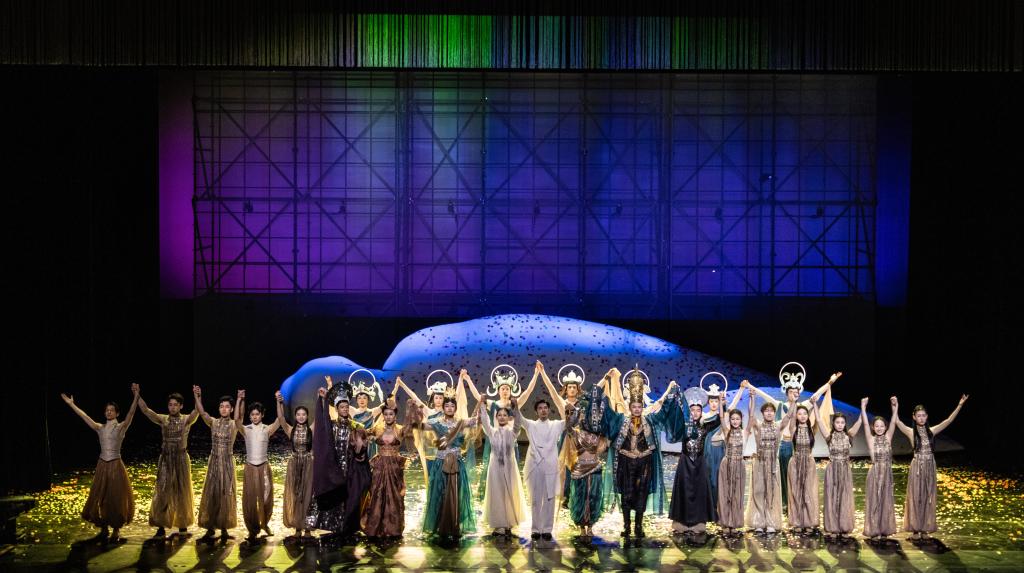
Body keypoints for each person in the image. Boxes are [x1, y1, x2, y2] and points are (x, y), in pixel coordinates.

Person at [600, 368, 680, 539]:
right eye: (634, 407)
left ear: (642, 407)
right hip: (625, 462)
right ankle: (627, 526)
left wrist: (670, 392)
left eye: (639, 406)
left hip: (644, 462)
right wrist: (604, 384)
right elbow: (607, 412)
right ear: (629, 407)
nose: (637, 409)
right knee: (627, 493)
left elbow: (663, 410)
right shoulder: (621, 420)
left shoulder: (649, 420)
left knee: (641, 493)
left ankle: (638, 525)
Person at [746, 369, 839, 510]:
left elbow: (817, 394)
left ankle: (798, 501)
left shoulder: (802, 407)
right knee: (783, 474)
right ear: (787, 392)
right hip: (783, 444)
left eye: (796, 392)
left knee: (798, 475)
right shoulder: (780, 405)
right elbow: (764, 395)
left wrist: (830, 382)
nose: (793, 394)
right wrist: (749, 386)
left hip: (798, 445)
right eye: (791, 392)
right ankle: (784, 502)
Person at [60, 384, 139, 543]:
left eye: (112, 410)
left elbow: (131, 413)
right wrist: (71, 404)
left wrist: (136, 396)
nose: (108, 412)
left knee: (115, 497)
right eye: (107, 410)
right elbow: (85, 417)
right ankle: (104, 527)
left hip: (115, 465)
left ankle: (116, 529)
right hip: (102, 465)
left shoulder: (121, 427)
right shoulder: (100, 428)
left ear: (117, 413)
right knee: (101, 496)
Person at [894, 394, 969, 539]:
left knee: (927, 496)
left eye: (923, 415)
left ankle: (924, 529)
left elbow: (948, 420)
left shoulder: (932, 431)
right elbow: (897, 422)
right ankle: (915, 529)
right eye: (918, 416)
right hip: (917, 467)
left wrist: (960, 404)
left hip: (930, 466)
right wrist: (895, 405)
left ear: (927, 417)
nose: (921, 418)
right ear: (914, 417)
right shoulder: (911, 432)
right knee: (916, 496)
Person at [463, 365, 539, 500]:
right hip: (495, 440)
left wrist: (536, 374)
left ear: (511, 390)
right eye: (502, 388)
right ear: (498, 390)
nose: (505, 391)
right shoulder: (493, 404)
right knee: (492, 468)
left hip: (510, 441)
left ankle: (510, 496)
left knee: (511, 469)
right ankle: (493, 496)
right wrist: (468, 379)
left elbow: (528, 392)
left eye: (507, 389)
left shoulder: (514, 404)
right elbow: (478, 397)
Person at [414, 388, 479, 542]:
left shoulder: (461, 423)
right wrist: (414, 414)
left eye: (452, 406)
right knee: (440, 493)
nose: (449, 408)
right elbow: (420, 426)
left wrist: (481, 405)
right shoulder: (436, 423)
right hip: (440, 463)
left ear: (455, 408)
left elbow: (475, 420)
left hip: (457, 463)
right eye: (447, 406)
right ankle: (440, 525)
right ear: (443, 408)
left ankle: (455, 525)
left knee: (456, 493)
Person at [311, 383, 371, 541]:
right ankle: (334, 526)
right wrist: (322, 400)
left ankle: (348, 527)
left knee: (350, 497)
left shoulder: (355, 427)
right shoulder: (332, 426)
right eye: (342, 407)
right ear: (337, 409)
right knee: (336, 497)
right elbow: (322, 423)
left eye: (346, 407)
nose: (344, 409)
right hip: (335, 467)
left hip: (350, 468)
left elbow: (361, 448)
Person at [137, 389, 199, 538]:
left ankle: (182, 525)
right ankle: (161, 526)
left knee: (182, 491)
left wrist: (197, 396)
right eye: (170, 404)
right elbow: (146, 410)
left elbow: (197, 411)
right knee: (163, 491)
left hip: (181, 459)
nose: (172, 407)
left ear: (181, 406)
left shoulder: (186, 420)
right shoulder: (163, 419)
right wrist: (137, 395)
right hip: (166, 459)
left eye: (175, 405)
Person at [514, 367, 565, 541]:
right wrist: (514, 405)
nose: (543, 410)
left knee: (549, 498)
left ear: (549, 410)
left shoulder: (556, 425)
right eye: (540, 408)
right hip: (534, 466)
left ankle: (547, 529)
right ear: (536, 411)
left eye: (545, 408)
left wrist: (571, 408)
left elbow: (572, 419)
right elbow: (518, 417)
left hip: (550, 466)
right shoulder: (531, 425)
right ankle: (536, 529)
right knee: (535, 499)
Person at [560, 374, 612, 539]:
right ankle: (582, 527)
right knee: (580, 498)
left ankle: (590, 527)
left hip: (595, 468)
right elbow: (568, 426)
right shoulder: (576, 433)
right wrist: (574, 414)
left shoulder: (598, 435)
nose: (585, 416)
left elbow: (606, 439)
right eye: (583, 414)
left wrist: (605, 383)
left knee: (594, 497)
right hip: (580, 469)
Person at [742, 380, 792, 534]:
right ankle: (758, 521)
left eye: (771, 411)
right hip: (760, 462)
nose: (769, 413)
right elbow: (751, 415)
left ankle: (771, 521)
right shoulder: (758, 426)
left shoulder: (778, 426)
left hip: (773, 463)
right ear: (763, 413)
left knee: (772, 492)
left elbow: (789, 416)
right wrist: (752, 398)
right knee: (758, 491)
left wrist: (794, 402)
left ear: (774, 413)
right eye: (766, 411)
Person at [192, 386, 241, 542]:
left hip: (227, 462)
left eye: (227, 406)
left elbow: (240, 416)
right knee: (212, 494)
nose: (224, 409)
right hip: (214, 462)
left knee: (225, 494)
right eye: (221, 406)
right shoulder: (213, 422)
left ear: (231, 409)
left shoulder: (234, 424)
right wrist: (197, 396)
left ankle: (224, 529)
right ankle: (210, 528)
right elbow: (202, 412)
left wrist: (239, 399)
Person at [813, 388, 862, 539]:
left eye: (842, 423)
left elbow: (860, 422)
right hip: (832, 469)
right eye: (837, 422)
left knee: (844, 497)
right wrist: (814, 404)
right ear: (833, 423)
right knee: (833, 497)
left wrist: (863, 407)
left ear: (845, 424)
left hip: (845, 470)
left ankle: (844, 527)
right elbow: (819, 420)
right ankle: (833, 527)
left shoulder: (849, 435)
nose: (840, 425)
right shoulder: (829, 436)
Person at [362, 398, 412, 539]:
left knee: (395, 496)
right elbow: (363, 433)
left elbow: (411, 427)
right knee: (377, 494)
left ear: (395, 415)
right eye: (386, 414)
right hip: (379, 466)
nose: (388, 417)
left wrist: (409, 410)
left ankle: (393, 528)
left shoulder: (400, 429)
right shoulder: (377, 428)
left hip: (395, 468)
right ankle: (375, 527)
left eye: (391, 414)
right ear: (383, 415)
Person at [236, 391, 282, 542]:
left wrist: (279, 401)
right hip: (250, 467)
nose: (255, 416)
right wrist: (240, 400)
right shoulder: (246, 429)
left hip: (263, 467)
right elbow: (236, 419)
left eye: (257, 414)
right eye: (252, 414)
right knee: (250, 500)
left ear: (262, 415)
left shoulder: (267, 429)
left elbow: (280, 419)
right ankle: (252, 529)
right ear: (250, 416)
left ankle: (265, 524)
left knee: (266, 498)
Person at [479, 400, 527, 538]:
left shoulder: (512, 433)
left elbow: (518, 423)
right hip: (495, 468)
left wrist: (516, 408)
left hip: (510, 467)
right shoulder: (492, 432)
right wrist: (482, 406)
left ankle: (509, 523)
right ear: (496, 417)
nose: (501, 417)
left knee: (509, 492)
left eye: (504, 415)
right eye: (499, 415)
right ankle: (498, 524)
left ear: (508, 417)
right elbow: (485, 421)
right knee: (497, 494)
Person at [275, 390, 316, 540]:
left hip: (308, 464)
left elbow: (319, 417)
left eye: (303, 414)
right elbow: (281, 418)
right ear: (295, 416)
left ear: (307, 416)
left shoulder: (311, 430)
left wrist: (320, 399)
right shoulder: (290, 430)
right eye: (298, 414)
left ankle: (308, 528)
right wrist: (279, 402)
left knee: (308, 496)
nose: (301, 416)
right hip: (294, 464)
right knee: (297, 495)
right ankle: (298, 527)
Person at [861, 396, 899, 539]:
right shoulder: (871, 439)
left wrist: (895, 406)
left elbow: (894, 421)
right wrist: (863, 407)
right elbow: (865, 424)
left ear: (885, 427)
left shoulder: (888, 437)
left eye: (882, 426)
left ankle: (884, 529)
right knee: (875, 501)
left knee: (885, 501)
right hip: (875, 473)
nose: (879, 428)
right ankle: (874, 529)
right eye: (876, 426)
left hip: (887, 473)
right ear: (873, 427)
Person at [786, 403, 818, 533]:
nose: (802, 416)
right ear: (796, 416)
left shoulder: (812, 429)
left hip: (809, 463)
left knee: (808, 492)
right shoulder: (793, 428)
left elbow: (819, 419)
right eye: (799, 414)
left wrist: (815, 404)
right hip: (795, 463)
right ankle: (797, 522)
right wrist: (794, 402)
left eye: (805, 413)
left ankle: (809, 522)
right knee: (796, 492)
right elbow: (791, 417)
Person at [716, 400, 746, 536]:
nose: (735, 421)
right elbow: (721, 417)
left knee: (737, 494)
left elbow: (751, 416)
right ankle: (725, 522)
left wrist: (752, 398)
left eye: (737, 419)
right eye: (732, 419)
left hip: (739, 465)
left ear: (741, 420)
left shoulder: (745, 432)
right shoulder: (727, 431)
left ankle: (734, 523)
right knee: (725, 494)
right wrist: (720, 402)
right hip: (727, 464)